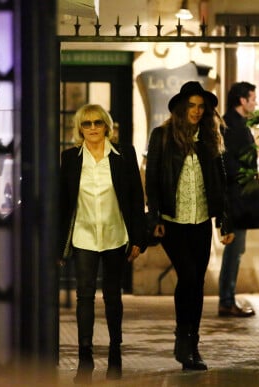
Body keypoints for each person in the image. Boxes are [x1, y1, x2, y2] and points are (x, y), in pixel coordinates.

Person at [145, 81, 234, 371]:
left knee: (197, 283)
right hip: (172, 222)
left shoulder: (210, 138)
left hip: (200, 220)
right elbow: (153, 179)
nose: (196, 111)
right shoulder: (161, 136)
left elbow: (221, 182)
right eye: (192, 106)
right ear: (182, 108)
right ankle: (183, 340)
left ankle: (191, 344)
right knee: (189, 276)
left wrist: (224, 220)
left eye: (201, 106)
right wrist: (155, 217)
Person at [59, 104, 148, 383]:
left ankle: (115, 352)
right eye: (87, 124)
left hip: (115, 236)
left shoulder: (124, 155)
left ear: (107, 125)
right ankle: (84, 356)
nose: (93, 128)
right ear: (80, 128)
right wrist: (57, 244)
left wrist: (138, 237)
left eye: (98, 122)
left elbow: (136, 199)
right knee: (84, 296)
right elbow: (62, 203)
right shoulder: (71, 158)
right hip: (84, 236)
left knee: (112, 296)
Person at [218, 82, 259, 317]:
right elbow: (230, 162)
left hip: (240, 197)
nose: (255, 102)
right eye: (253, 98)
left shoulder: (236, 124)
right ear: (242, 100)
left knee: (236, 250)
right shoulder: (231, 125)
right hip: (237, 198)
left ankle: (227, 299)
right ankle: (226, 301)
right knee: (233, 251)